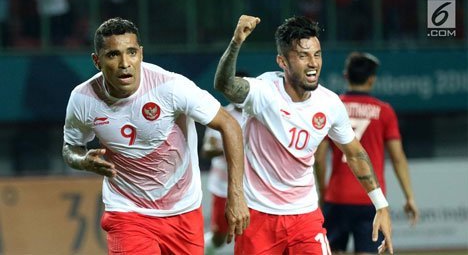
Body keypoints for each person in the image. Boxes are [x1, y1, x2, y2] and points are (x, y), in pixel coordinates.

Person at [62, 17, 249, 255]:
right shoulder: (83, 99)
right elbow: (70, 147)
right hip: (127, 211)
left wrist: (236, 195)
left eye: (131, 52)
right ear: (97, 61)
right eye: (113, 55)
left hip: (182, 210)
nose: (124, 63)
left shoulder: (170, 87)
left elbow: (230, 124)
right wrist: (82, 161)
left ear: (141, 53)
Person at [214, 15, 394, 254]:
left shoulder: (330, 104)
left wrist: (381, 205)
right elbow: (224, 84)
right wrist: (236, 42)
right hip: (259, 216)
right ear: (282, 61)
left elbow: (355, 153)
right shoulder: (263, 91)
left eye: (317, 54)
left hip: (305, 217)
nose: (313, 63)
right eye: (302, 56)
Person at [314, 52, 419, 254]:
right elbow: (398, 159)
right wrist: (409, 197)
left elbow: (319, 158)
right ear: (372, 79)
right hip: (371, 198)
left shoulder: (333, 107)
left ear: (346, 76)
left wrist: (322, 192)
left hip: (337, 197)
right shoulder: (384, 111)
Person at [202, 73, 247, 254]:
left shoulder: (259, 116)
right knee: (219, 236)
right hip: (222, 187)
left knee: (249, 236)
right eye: (233, 87)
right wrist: (231, 146)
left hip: (251, 189)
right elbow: (206, 151)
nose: (237, 92)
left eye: (241, 88)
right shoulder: (221, 115)